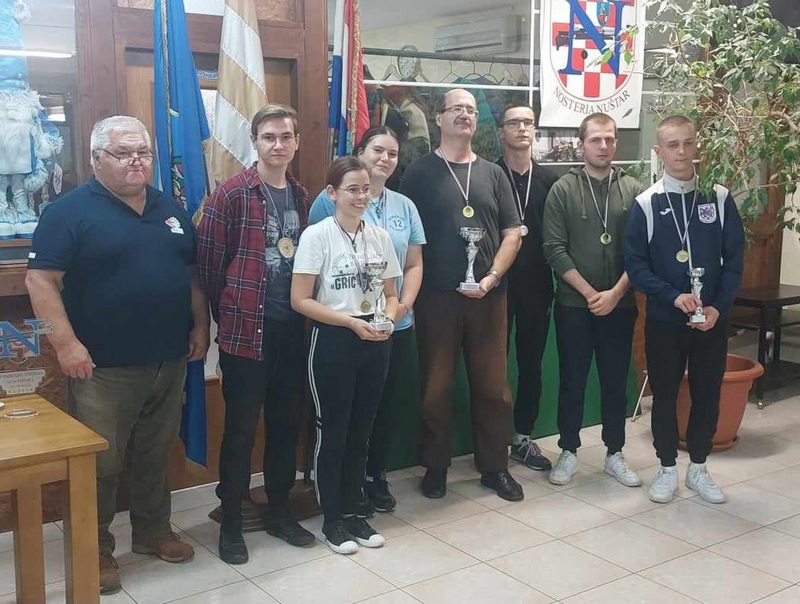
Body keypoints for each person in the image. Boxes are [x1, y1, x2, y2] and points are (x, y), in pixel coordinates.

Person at [25, 116, 209, 594]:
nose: (136, 161)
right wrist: (66, 344)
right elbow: (40, 280)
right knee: (100, 465)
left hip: (168, 357)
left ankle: (152, 532)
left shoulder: (169, 208)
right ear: (95, 159)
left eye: (143, 152)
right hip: (101, 366)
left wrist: (201, 325)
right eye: (123, 153)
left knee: (154, 453)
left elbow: (190, 275)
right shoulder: (67, 212)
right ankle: (94, 548)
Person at [196, 104, 315, 565]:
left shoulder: (302, 196)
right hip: (246, 334)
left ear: (296, 142)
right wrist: (231, 315)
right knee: (241, 432)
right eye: (269, 137)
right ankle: (231, 522)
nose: (278, 145)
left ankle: (280, 512)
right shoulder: (230, 195)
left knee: (285, 426)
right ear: (255, 142)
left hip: (292, 332)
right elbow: (209, 268)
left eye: (286, 137)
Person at [400, 89, 524, 502]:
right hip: (435, 297)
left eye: (470, 110)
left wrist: (492, 276)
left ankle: (495, 467)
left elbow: (512, 232)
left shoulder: (494, 173)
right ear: (438, 118)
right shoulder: (417, 173)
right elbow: (408, 237)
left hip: (488, 296)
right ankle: (435, 467)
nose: (465, 115)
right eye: (456, 109)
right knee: (436, 386)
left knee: (494, 387)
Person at [625, 115, 744, 504]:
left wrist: (718, 308)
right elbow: (636, 267)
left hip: (711, 320)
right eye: (672, 145)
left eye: (687, 143)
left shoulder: (719, 198)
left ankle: (698, 468)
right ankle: (665, 468)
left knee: (707, 393)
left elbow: (734, 262)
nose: (681, 152)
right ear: (658, 151)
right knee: (663, 395)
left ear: (696, 146)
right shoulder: (646, 203)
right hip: (665, 319)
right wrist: (673, 296)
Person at [309, 126, 425, 514]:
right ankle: (341, 497)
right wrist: (348, 318)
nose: (385, 159)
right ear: (361, 152)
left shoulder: (401, 210)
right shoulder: (326, 208)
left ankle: (371, 481)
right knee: (340, 419)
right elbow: (313, 278)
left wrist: (399, 309)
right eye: (378, 150)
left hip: (389, 326)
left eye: (393, 153)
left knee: (377, 412)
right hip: (341, 329)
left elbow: (411, 266)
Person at [292, 156, 402, 554]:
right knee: (333, 430)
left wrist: (388, 320)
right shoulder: (317, 236)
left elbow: (391, 295)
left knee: (362, 429)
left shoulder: (380, 237)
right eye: (352, 189)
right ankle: (332, 519)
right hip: (334, 339)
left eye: (366, 189)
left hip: (374, 340)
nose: (360, 197)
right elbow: (300, 299)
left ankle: (355, 512)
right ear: (332, 193)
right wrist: (349, 322)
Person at [542, 112, 643, 488]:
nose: (603, 146)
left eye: (610, 139)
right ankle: (568, 450)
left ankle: (615, 452)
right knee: (572, 380)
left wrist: (615, 293)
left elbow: (641, 250)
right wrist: (589, 294)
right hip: (574, 305)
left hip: (621, 304)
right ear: (581, 145)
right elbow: (554, 248)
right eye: (596, 140)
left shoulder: (633, 189)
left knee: (615, 381)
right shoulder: (563, 190)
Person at [496, 103, 559, 471]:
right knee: (493, 366)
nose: (522, 128)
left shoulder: (551, 180)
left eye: (528, 123)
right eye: (514, 123)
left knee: (531, 364)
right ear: (501, 131)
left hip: (537, 286)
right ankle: (492, 439)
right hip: (496, 286)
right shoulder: (489, 175)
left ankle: (522, 437)